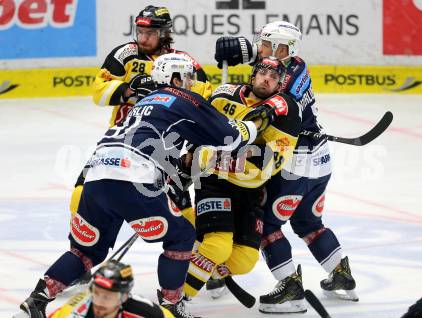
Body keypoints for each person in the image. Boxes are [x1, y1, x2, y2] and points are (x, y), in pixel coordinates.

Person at [18, 53, 274, 318]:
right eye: (188, 78)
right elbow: (229, 136)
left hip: (96, 177)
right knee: (181, 236)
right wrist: (255, 124)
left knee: (84, 251)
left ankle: (36, 299)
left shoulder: (142, 103)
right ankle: (172, 306)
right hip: (133, 177)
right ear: (175, 79)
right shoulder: (183, 98)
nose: (192, 83)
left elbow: (160, 147)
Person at [212, 21, 358, 313]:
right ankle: (341, 276)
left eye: (266, 45)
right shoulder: (295, 63)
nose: (260, 49)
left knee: (266, 225)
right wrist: (239, 48)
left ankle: (290, 290)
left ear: (281, 49)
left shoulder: (284, 86)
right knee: (309, 223)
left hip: (294, 165)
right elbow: (265, 65)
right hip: (320, 162)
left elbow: (267, 104)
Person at [69, 4, 212, 217]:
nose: (143, 39)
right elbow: (98, 91)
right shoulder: (126, 54)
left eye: (150, 33)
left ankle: (187, 244)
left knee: (176, 203)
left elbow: (204, 96)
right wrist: (129, 91)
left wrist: (167, 93)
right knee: (82, 191)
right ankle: (83, 241)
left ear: (164, 34)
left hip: (165, 142)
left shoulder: (183, 62)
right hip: (120, 139)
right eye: (140, 32)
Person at [182, 58, 303, 300]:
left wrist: (206, 154)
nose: (267, 79)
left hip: (250, 191)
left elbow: (262, 169)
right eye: (262, 73)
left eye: (274, 77)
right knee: (218, 246)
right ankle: (175, 298)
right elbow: (194, 124)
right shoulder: (224, 94)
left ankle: (203, 264)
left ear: (280, 85)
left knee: (245, 260)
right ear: (253, 75)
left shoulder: (287, 114)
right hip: (215, 182)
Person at [47, 260, 175, 318]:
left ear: (124, 297)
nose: (99, 302)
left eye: (107, 297)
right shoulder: (72, 314)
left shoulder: (148, 313)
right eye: (96, 294)